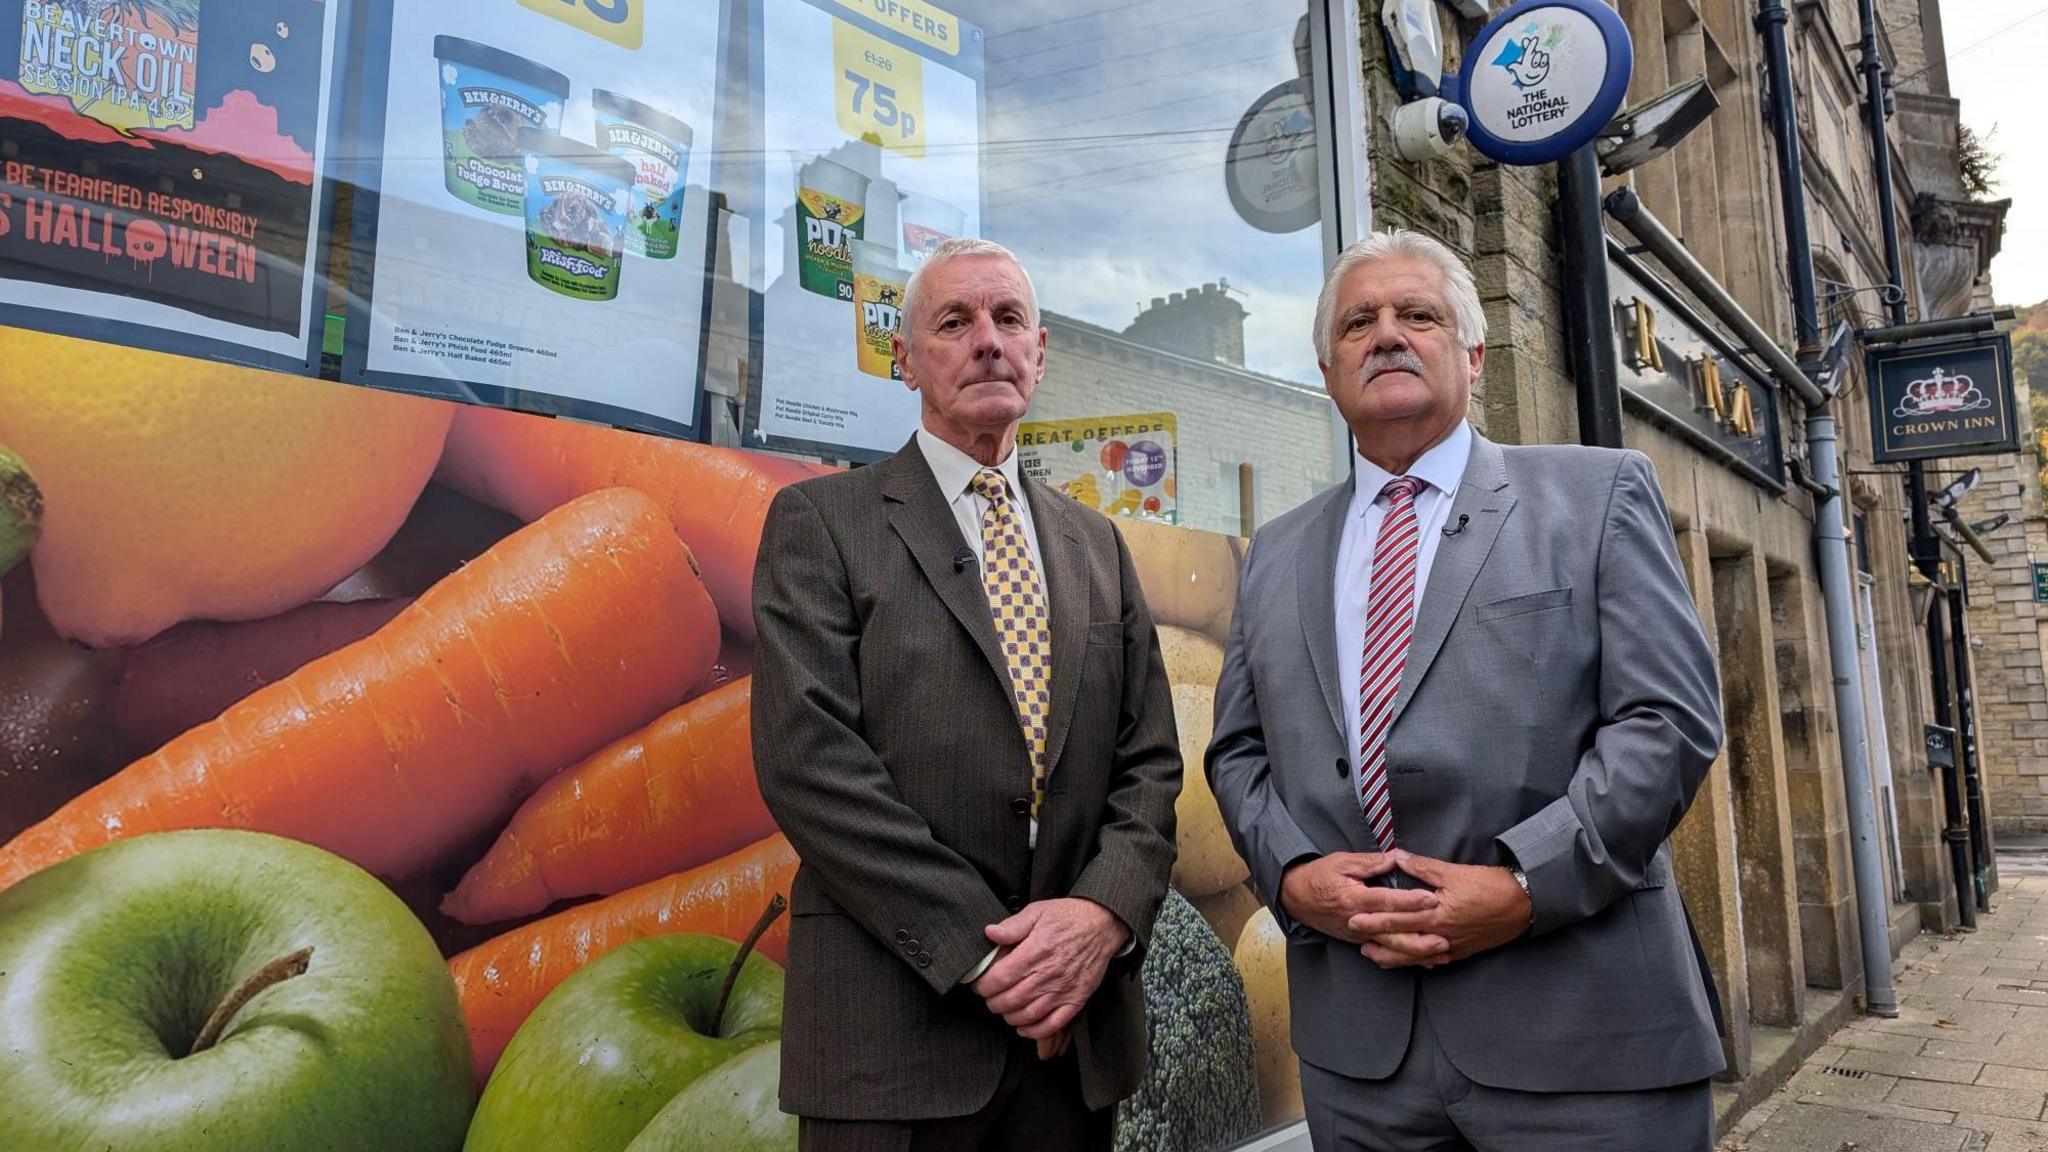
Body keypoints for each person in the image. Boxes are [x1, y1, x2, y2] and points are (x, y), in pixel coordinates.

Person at [1207, 229, 1725, 1151]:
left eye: (1419, 315)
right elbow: (1239, 753)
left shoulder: (1597, 495)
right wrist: (1291, 873)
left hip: (1583, 1037)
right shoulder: (1278, 551)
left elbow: (1667, 722)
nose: (1388, 334)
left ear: (1474, 355)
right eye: (1360, 322)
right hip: (1362, 1061)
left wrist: (1526, 883)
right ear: (1329, 371)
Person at [752, 237, 1181, 1152]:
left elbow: (1149, 765)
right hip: (890, 1044)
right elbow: (810, 763)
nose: (987, 340)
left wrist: (1101, 917)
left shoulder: (1099, 546)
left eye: (1008, 319)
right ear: (904, 360)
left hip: (1073, 1048)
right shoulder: (822, 523)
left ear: (1040, 350)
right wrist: (985, 955)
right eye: (954, 321)